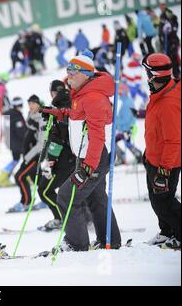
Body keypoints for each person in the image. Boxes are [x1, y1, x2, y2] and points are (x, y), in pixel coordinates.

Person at [42, 50, 122, 251]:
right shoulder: (83, 94)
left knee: (66, 196)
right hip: (89, 156)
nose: (69, 74)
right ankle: (109, 240)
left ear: (87, 74)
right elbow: (79, 116)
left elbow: (97, 137)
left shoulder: (93, 97)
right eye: (68, 69)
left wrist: (87, 167)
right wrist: (60, 113)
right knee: (96, 197)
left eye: (74, 71)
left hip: (92, 157)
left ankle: (76, 244)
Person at [141, 53, 181, 249]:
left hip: (167, 163)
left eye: (147, 72)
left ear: (155, 76)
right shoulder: (160, 93)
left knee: (163, 202)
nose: (145, 77)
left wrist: (164, 171)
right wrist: (148, 153)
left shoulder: (168, 103)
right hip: (154, 159)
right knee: (156, 200)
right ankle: (167, 231)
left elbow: (174, 141)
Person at [37, 80, 75, 230]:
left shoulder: (60, 109)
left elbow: (58, 140)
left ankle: (62, 218)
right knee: (69, 192)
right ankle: (79, 217)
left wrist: (49, 162)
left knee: (44, 190)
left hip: (63, 160)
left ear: (53, 93)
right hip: (70, 159)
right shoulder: (68, 105)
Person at [7, 94, 44, 213]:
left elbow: (40, 143)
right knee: (36, 178)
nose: (30, 106)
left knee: (20, 176)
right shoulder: (30, 116)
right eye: (29, 103)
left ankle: (26, 202)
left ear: (39, 104)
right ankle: (46, 199)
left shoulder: (41, 118)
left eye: (33, 103)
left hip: (34, 156)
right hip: (28, 155)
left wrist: (28, 156)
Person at [0, 97, 26, 188]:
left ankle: (4, 177)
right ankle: (4, 178)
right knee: (24, 159)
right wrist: (27, 137)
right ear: (18, 105)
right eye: (21, 105)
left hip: (11, 142)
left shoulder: (9, 114)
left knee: (17, 160)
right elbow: (21, 131)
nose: (21, 107)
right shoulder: (16, 116)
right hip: (17, 143)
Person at [114, 84, 143, 165]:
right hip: (124, 128)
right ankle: (123, 156)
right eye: (118, 91)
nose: (119, 93)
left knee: (126, 143)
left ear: (125, 91)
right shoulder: (122, 101)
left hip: (127, 129)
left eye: (120, 91)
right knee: (118, 142)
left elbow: (125, 119)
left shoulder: (127, 102)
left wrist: (115, 123)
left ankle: (138, 155)